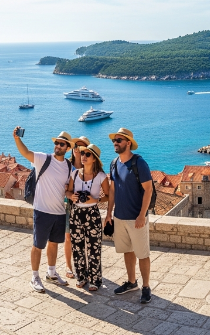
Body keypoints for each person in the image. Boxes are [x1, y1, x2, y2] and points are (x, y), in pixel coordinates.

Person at [13, 128, 73, 293]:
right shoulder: (43, 159)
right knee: (37, 245)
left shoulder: (68, 166)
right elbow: (25, 152)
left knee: (53, 244)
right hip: (42, 210)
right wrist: (17, 139)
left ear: (67, 148)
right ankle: (35, 277)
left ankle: (51, 273)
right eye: (57, 143)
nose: (58, 146)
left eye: (62, 144)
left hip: (59, 212)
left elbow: (67, 187)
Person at [105, 128, 154, 304]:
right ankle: (132, 282)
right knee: (127, 250)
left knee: (142, 253)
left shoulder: (139, 163)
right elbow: (112, 190)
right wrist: (109, 213)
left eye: (119, 140)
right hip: (119, 217)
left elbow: (148, 189)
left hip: (136, 218)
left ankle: (146, 287)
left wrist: (142, 215)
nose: (115, 143)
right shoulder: (113, 163)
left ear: (128, 143)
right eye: (114, 140)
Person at [66, 144, 108, 291]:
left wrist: (94, 200)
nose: (83, 156)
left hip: (92, 214)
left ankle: (95, 280)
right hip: (76, 213)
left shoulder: (101, 176)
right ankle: (81, 277)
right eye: (83, 153)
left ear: (94, 158)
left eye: (87, 154)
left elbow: (108, 196)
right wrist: (71, 196)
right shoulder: (75, 174)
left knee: (94, 248)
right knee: (77, 247)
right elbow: (68, 191)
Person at [63, 135, 91, 279]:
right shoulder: (66, 165)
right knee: (68, 238)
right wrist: (69, 194)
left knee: (85, 238)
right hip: (69, 207)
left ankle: (83, 266)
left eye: (81, 148)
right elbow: (61, 187)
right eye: (75, 147)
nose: (77, 150)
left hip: (85, 207)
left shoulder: (91, 166)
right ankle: (69, 266)